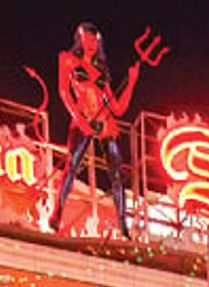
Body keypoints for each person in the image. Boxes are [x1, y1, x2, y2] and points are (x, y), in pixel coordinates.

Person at [50, 22, 141, 238]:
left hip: (105, 122)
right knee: (71, 166)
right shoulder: (68, 59)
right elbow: (64, 91)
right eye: (87, 38)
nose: (91, 43)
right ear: (80, 39)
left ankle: (123, 224)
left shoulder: (101, 71)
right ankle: (57, 213)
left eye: (94, 39)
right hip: (83, 118)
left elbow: (117, 108)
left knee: (116, 176)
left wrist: (131, 82)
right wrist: (79, 119)